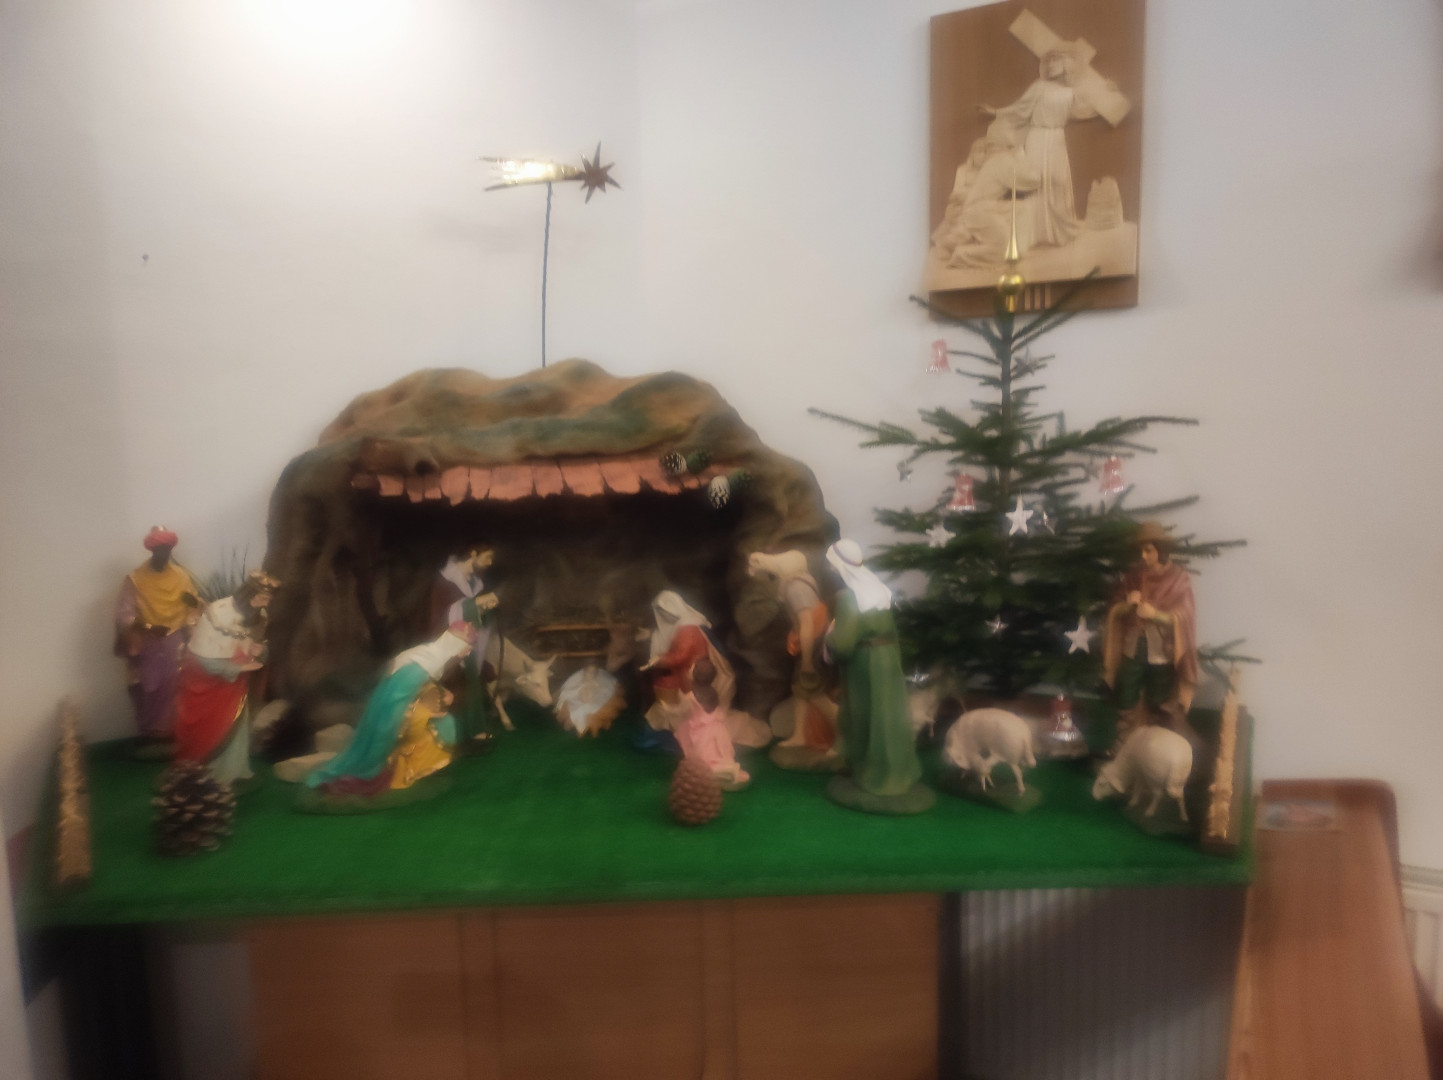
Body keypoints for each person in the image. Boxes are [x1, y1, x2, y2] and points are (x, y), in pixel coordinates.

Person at [822, 540, 933, 814]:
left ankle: (875, 774)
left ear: (839, 566)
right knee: (888, 715)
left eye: (831, 564)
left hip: (865, 664)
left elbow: (844, 642)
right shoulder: (878, 590)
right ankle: (895, 770)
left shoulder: (849, 598)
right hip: (888, 660)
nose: (830, 569)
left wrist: (828, 638)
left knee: (867, 715)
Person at [306, 625, 473, 796]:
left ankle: (417, 769)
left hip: (402, 711)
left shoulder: (428, 656)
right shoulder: (425, 664)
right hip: (397, 717)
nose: (465, 653)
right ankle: (372, 774)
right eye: (463, 648)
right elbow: (403, 699)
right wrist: (427, 712)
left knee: (442, 724)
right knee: (380, 748)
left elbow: (419, 687)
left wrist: (439, 695)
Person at [980, 44, 1096, 249]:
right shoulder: (1039, 87)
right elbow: (1019, 108)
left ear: (1067, 63)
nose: (1051, 64)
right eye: (1048, 61)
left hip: (1056, 138)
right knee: (1035, 181)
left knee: (1058, 180)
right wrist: (997, 112)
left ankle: (1060, 230)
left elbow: (1084, 111)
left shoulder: (1071, 92)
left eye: (1055, 59)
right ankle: (1034, 233)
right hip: (1037, 137)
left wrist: (1107, 92)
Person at [173, 570, 279, 786]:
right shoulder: (218, 613)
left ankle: (234, 771)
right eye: (261, 598)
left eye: (267, 600)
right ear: (248, 594)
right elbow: (203, 658)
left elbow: (259, 645)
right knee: (211, 729)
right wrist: (236, 667)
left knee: (237, 728)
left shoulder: (259, 615)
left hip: (236, 687)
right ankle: (207, 772)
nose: (264, 604)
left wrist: (260, 651)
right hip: (209, 686)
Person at [1102, 521, 1199, 746]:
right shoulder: (1133, 576)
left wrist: (1156, 615)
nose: (1143, 556)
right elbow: (1116, 609)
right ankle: (1123, 743)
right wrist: (1127, 605)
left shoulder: (1178, 578)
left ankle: (1155, 745)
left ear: (1160, 550)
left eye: (1148, 550)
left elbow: (1186, 615)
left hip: (1161, 650)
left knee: (1160, 697)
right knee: (1126, 692)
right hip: (1133, 646)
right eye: (1141, 551)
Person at [641, 590, 770, 748]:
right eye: (660, 612)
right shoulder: (682, 626)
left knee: (686, 705)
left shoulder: (687, 629)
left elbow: (680, 655)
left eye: (664, 612)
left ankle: (690, 732)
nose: (662, 616)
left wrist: (660, 660)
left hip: (692, 673)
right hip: (688, 672)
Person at [747, 550, 838, 754]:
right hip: (812, 642)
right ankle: (799, 735)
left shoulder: (796, 588)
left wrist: (806, 660)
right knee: (800, 690)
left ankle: (844, 733)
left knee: (814, 693)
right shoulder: (801, 582)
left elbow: (807, 624)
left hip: (812, 645)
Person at [113, 526, 200, 738]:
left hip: (175, 638)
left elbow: (192, 606)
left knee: (174, 683)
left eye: (167, 551)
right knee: (148, 685)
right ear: (152, 550)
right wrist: (150, 627)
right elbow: (124, 615)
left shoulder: (181, 577)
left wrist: (191, 625)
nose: (163, 555)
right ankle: (149, 731)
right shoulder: (135, 579)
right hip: (147, 641)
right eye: (159, 551)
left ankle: (169, 730)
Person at [430, 545, 507, 742]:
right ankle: (452, 733)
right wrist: (476, 603)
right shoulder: (446, 580)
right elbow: (444, 613)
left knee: (473, 682)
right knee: (455, 685)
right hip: (451, 641)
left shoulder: (476, 583)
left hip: (471, 641)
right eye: (487, 557)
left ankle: (474, 730)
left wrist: (485, 607)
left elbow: (476, 613)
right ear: (473, 554)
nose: (489, 563)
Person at [675, 659, 749, 790]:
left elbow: (683, 709)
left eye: (694, 668)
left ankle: (713, 771)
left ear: (695, 675)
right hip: (717, 729)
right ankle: (722, 770)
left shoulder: (691, 696)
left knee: (704, 756)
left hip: (701, 731)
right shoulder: (712, 692)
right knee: (719, 753)